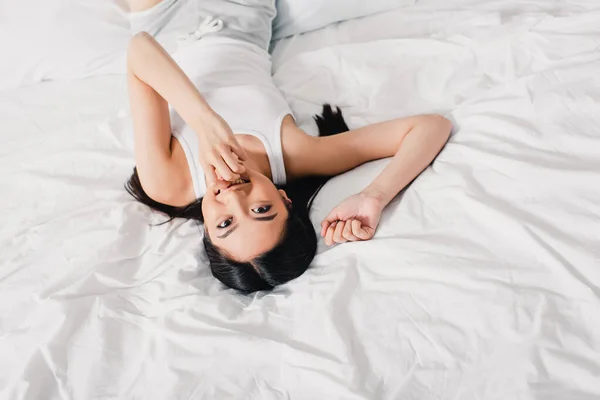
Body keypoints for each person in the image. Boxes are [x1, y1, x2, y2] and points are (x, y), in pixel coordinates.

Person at [125, 0, 452, 293]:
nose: (235, 199)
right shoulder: (296, 154)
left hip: (166, 28)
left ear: (208, 232)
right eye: (261, 210)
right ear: (285, 200)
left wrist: (204, 124)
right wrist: (374, 196)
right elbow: (430, 126)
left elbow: (140, 49)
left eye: (225, 223)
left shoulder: (168, 185)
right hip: (242, 15)